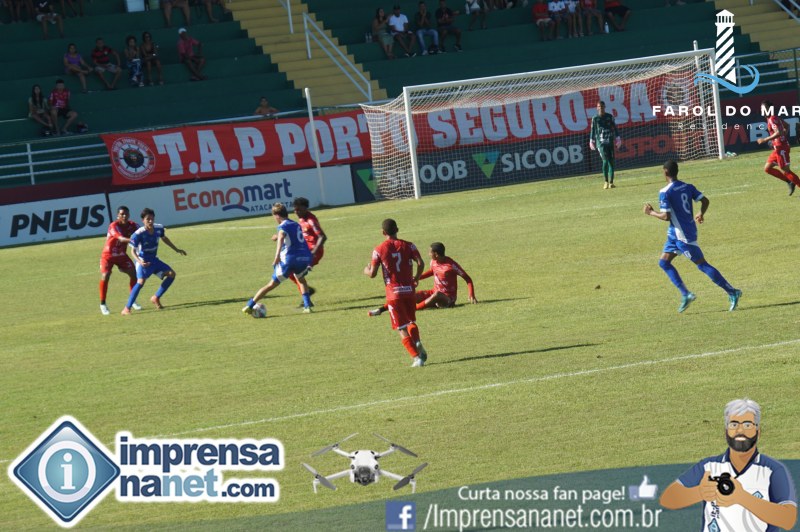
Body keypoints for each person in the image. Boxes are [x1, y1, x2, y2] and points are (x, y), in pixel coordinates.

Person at [660, 399, 797, 531]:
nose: (740, 430)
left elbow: (788, 519)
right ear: (725, 432)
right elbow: (668, 499)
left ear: (758, 431)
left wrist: (741, 497)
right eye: (734, 425)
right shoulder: (709, 467)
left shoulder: (772, 470)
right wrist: (699, 492)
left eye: (747, 425)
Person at [643, 160, 742, 313]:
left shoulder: (665, 192)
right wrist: (701, 213)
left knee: (702, 264)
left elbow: (666, 216)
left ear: (665, 172)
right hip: (675, 233)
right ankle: (686, 294)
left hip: (683, 236)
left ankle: (732, 291)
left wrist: (651, 212)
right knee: (664, 262)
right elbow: (705, 200)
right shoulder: (687, 186)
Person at [363, 219, 427, 367]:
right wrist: (416, 278)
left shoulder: (378, 249)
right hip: (409, 290)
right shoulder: (409, 245)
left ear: (383, 232)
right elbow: (421, 263)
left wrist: (366, 270)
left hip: (394, 293)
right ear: (397, 229)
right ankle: (417, 341)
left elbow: (372, 274)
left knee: (401, 327)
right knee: (410, 321)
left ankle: (416, 358)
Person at [242, 203, 314, 316]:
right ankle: (307, 306)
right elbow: (293, 238)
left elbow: (281, 238)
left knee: (271, 284)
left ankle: (249, 306)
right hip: (302, 257)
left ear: (277, 216)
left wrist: (277, 257)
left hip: (289, 259)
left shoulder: (282, 226)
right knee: (302, 281)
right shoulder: (295, 224)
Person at [370, 241, 476, 316]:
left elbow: (468, 279)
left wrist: (471, 294)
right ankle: (380, 310)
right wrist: (417, 278)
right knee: (409, 295)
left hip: (448, 298)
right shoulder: (433, 262)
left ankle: (413, 309)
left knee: (437, 295)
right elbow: (432, 272)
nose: (428, 254)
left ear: (436, 254)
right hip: (433, 292)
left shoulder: (451, 265)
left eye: (430, 252)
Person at [122, 207, 187, 315]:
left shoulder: (159, 228)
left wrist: (176, 249)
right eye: (148, 219)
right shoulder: (138, 234)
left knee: (171, 274)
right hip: (142, 261)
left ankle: (156, 297)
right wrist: (140, 262)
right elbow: (132, 251)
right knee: (140, 282)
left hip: (154, 260)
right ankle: (126, 308)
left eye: (152, 218)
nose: (150, 221)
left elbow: (164, 238)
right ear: (143, 220)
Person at [99, 206, 142, 315]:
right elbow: (121, 238)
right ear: (118, 216)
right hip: (108, 255)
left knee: (134, 274)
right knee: (105, 275)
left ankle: (132, 301)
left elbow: (142, 232)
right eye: (122, 214)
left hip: (121, 255)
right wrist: (134, 241)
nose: (124, 216)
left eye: (126, 214)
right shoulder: (113, 226)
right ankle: (103, 304)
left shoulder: (133, 225)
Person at [757, 99, 800, 195]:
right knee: (767, 168)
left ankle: (793, 181)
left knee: (786, 171)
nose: (762, 110)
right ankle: (789, 182)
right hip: (778, 148)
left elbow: (778, 132)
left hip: (781, 148)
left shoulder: (772, 119)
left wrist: (765, 139)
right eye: (761, 108)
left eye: (764, 108)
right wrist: (782, 136)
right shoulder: (773, 118)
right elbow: (786, 126)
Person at [589, 100, 621, 188]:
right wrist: (591, 141)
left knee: (611, 161)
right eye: (599, 107)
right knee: (605, 160)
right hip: (601, 143)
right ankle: (606, 181)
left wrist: (618, 138)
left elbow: (615, 127)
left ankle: (611, 183)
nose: (601, 108)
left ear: (605, 107)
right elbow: (593, 130)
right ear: (597, 108)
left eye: (602, 107)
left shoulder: (610, 117)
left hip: (610, 142)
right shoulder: (595, 118)